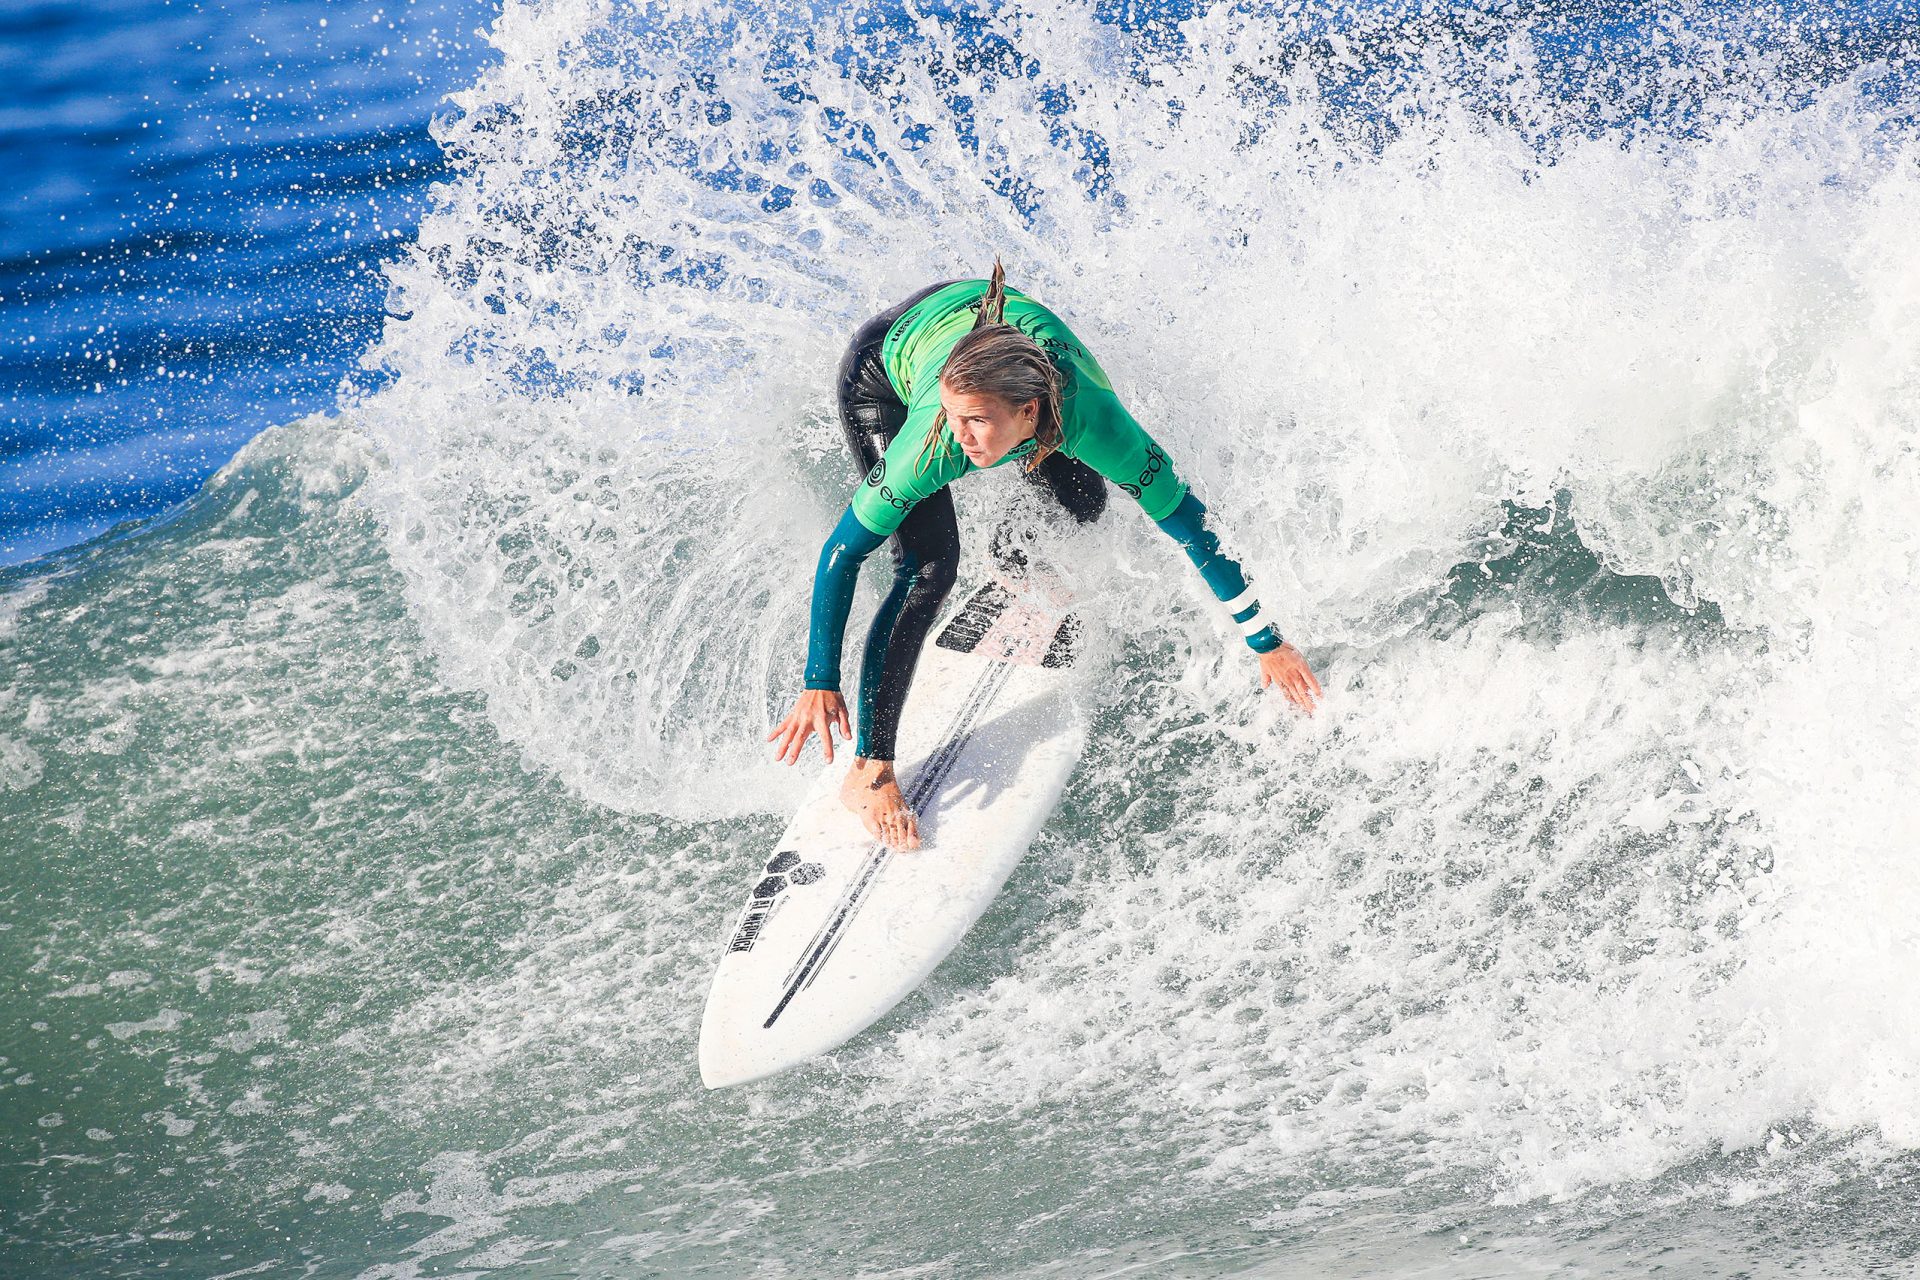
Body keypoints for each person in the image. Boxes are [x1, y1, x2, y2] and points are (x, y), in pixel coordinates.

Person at [767, 261, 1322, 850]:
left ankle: (1014, 562)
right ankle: (869, 770)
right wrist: (819, 679)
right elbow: (841, 553)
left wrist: (1267, 641)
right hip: (886, 364)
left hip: (998, 351)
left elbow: (1187, 523)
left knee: (1083, 501)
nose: (960, 438)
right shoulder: (933, 438)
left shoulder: (1094, 421)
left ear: (1031, 412)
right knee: (931, 567)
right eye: (956, 421)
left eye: (976, 423)